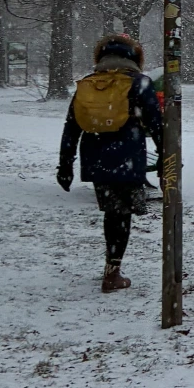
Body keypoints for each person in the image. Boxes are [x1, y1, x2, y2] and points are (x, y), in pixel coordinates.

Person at [56, 35, 162, 293]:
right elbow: (158, 126)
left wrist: (65, 165)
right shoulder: (140, 84)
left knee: (113, 214)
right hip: (127, 158)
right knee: (122, 216)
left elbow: (71, 128)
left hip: (96, 161)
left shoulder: (88, 84)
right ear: (133, 57)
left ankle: (111, 266)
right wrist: (167, 159)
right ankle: (112, 272)